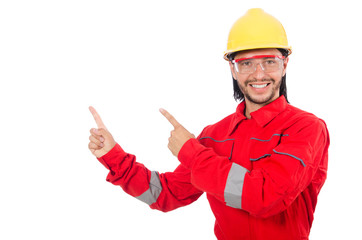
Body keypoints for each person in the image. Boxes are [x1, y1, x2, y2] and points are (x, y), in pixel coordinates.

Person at [88, 8, 329, 240]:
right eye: (246, 63)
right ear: (233, 69)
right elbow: (165, 194)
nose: (258, 73)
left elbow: (267, 198)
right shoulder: (214, 136)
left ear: (285, 65)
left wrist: (193, 154)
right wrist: (114, 157)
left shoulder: (306, 128)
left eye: (270, 61)